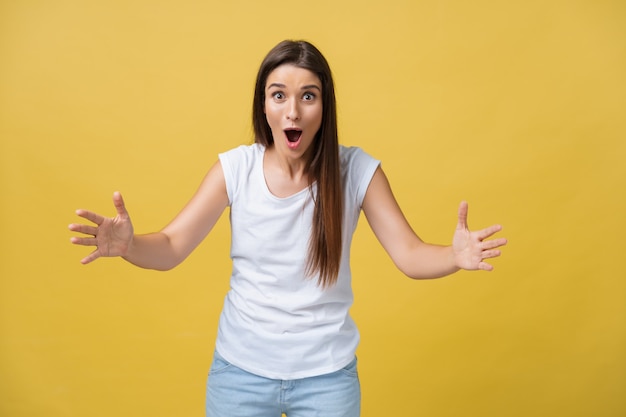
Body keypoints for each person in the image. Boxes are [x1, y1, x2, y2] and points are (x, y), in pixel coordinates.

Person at [69, 40, 507, 417]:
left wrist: (454, 256)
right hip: (239, 372)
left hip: (327, 378)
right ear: (264, 104)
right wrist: (128, 246)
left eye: (308, 96)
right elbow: (171, 245)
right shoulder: (235, 169)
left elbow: (409, 254)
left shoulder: (356, 171)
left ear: (324, 105)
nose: (292, 110)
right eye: (278, 96)